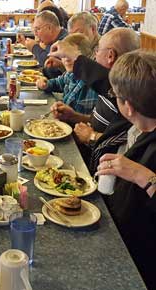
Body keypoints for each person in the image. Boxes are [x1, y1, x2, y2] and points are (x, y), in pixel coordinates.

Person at [93, 51, 156, 290]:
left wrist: (140, 175)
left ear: (127, 106)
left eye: (115, 96)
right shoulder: (136, 127)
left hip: (138, 263)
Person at [48, 28, 140, 141]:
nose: (95, 55)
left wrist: (92, 137)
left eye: (97, 50)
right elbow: (100, 123)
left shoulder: (127, 89)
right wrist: (74, 116)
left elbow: (124, 146)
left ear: (110, 56)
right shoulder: (110, 86)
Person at [36, 33, 98, 115]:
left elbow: (95, 121)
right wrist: (45, 84)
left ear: (85, 57)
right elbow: (57, 83)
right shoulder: (70, 74)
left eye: (70, 55)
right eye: (64, 55)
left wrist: (73, 117)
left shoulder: (93, 84)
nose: (66, 60)